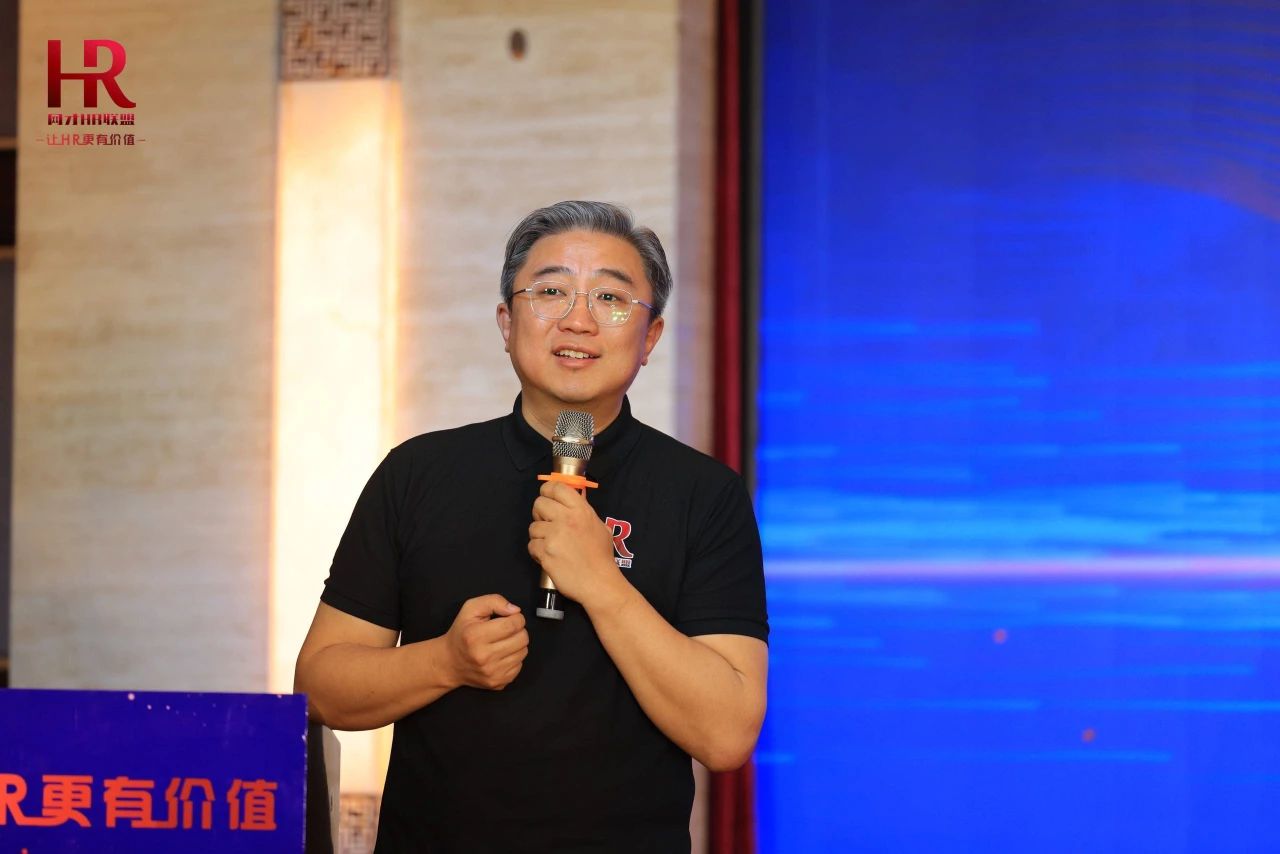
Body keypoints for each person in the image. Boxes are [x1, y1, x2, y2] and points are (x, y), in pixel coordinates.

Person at [294, 200, 769, 852]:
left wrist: (601, 583)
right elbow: (320, 688)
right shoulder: (418, 473)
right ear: (506, 322)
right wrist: (445, 661)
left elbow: (727, 734)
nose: (578, 319)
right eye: (550, 291)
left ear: (650, 337)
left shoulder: (704, 494)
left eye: (611, 297)